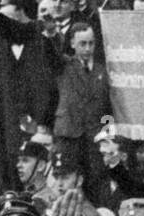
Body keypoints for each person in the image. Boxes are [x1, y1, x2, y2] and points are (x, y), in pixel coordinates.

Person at [51, 19, 110, 200]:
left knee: (94, 184)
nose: (87, 48)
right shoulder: (64, 65)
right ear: (72, 44)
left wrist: (108, 134)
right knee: (67, 182)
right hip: (68, 136)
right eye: (82, 43)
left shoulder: (102, 71)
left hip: (94, 138)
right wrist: (52, 34)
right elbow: (49, 53)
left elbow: (107, 108)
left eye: (91, 43)